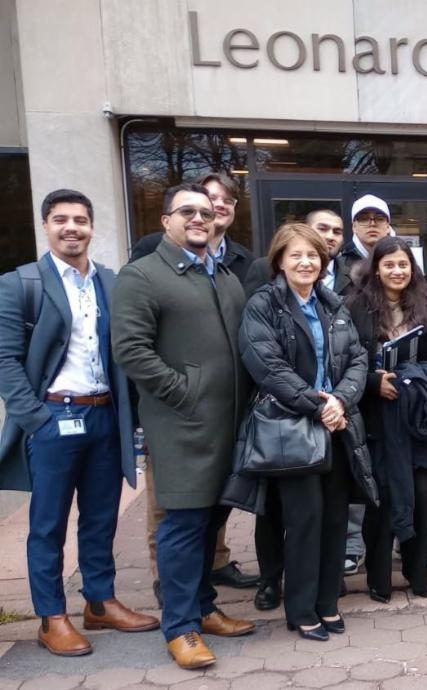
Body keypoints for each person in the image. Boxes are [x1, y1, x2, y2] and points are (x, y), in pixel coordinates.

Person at [0, 189, 159, 656]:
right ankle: (51, 617)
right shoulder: (19, 284)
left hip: (104, 416)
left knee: (101, 517)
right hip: (53, 417)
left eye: (80, 220)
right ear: (45, 226)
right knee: (48, 524)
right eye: (61, 219)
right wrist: (37, 420)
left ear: (92, 227)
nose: (72, 228)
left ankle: (100, 602)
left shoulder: (111, 281)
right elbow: (5, 359)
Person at [112, 183, 255, 669]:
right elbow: (131, 350)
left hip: (228, 424)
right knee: (184, 525)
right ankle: (180, 627)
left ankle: (204, 608)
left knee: (212, 521)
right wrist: (183, 391)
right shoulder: (143, 276)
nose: (199, 218)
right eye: (187, 211)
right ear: (166, 221)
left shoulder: (223, 276)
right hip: (181, 426)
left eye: (206, 212)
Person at [236, 223, 372, 641]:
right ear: (279, 260)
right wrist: (319, 405)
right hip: (291, 426)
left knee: (335, 518)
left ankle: (327, 603)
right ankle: (300, 609)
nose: (305, 262)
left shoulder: (333, 304)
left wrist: (340, 401)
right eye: (296, 254)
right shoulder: (263, 304)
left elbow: (358, 359)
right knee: (303, 520)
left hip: (337, 426)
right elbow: (267, 365)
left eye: (313, 255)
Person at [348, 236, 427, 599]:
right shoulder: (354, 308)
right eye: (389, 264)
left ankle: (417, 574)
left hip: (414, 420)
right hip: (374, 422)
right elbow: (340, 363)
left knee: (422, 499)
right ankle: (379, 579)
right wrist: (372, 382)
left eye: (403, 264)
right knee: (380, 502)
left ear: (413, 268)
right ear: (376, 269)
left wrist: (412, 380)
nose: (397, 271)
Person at [244, 209, 354, 296]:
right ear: (306, 230)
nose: (330, 236)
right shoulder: (263, 269)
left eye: (337, 232)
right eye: (322, 229)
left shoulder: (354, 274)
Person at [342, 195, 393, 266]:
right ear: (354, 227)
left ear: (388, 226)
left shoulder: (401, 260)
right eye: (364, 219)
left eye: (379, 219)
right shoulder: (338, 266)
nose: (372, 224)